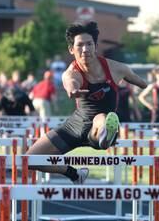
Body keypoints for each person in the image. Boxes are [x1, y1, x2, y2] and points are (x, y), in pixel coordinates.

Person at [25, 21, 147, 184]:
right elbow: (70, 82)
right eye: (80, 45)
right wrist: (72, 89)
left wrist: (146, 88)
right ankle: (74, 174)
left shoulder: (116, 68)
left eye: (89, 44)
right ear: (71, 49)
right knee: (30, 159)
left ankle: (106, 134)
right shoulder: (72, 72)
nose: (85, 49)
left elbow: (142, 83)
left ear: (95, 46)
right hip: (75, 125)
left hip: (99, 126)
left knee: (102, 117)